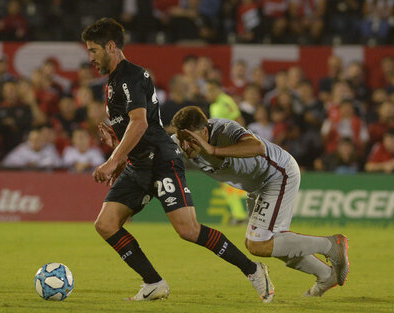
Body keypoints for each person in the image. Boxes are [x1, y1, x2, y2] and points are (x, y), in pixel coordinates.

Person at [82, 18, 274, 303]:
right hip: (138, 165)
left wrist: (112, 160)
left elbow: (140, 123)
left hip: (161, 161)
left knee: (188, 230)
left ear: (111, 46)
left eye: (94, 50)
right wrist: (118, 141)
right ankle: (153, 283)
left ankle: (253, 269)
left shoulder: (130, 76)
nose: (91, 57)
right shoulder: (113, 82)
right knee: (106, 224)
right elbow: (131, 126)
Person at [170, 106, 350, 297]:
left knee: (259, 244)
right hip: (256, 187)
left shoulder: (225, 129)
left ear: (204, 132)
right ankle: (325, 275)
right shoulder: (178, 143)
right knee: (270, 245)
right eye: (182, 141)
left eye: (191, 140)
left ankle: (331, 245)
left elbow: (258, 147)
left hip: (277, 174)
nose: (186, 146)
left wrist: (213, 150)